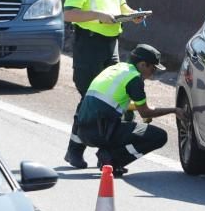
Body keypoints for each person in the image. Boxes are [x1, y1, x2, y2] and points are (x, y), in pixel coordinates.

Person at [62, 0, 148, 169]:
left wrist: (133, 15)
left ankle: (107, 155)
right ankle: (75, 149)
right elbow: (68, 14)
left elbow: (122, 6)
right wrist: (96, 15)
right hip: (89, 46)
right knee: (91, 99)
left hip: (111, 45)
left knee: (118, 98)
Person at [75, 44, 179, 177]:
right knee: (159, 136)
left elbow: (114, 101)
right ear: (142, 64)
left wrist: (139, 108)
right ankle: (112, 159)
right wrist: (174, 110)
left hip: (83, 131)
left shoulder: (116, 68)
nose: (152, 74)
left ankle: (108, 154)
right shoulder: (134, 79)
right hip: (100, 133)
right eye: (152, 69)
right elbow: (145, 112)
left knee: (129, 118)